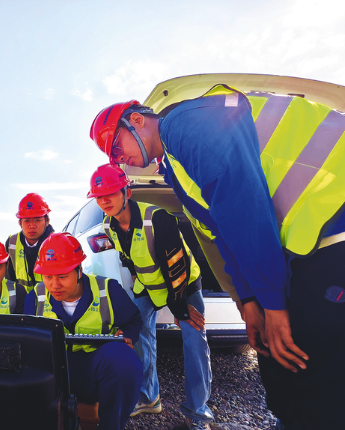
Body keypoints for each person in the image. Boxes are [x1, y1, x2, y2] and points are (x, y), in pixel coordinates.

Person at [90, 90, 345, 429]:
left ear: (137, 120)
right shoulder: (175, 169)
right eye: (113, 157)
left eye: (117, 147)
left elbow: (246, 211)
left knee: (312, 357)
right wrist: (249, 300)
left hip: (334, 218)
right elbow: (223, 234)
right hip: (310, 241)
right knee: (277, 360)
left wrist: (274, 305)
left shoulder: (185, 124)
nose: (121, 159)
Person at [88, 163, 212, 429]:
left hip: (183, 286)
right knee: (138, 332)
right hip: (148, 287)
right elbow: (126, 255)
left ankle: (197, 412)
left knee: (194, 340)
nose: (104, 200)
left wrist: (180, 310)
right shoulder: (108, 225)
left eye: (110, 193)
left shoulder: (158, 218)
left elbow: (176, 267)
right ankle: (148, 396)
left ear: (126, 193)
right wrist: (135, 278)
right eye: (99, 196)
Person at [25, 232, 142, 430]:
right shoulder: (35, 297)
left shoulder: (108, 290)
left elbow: (133, 320)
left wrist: (127, 336)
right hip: (52, 374)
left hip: (93, 370)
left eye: (62, 276)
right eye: (47, 276)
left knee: (123, 360)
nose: (54, 284)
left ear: (79, 270)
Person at [5, 193, 54, 292]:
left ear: (47, 221)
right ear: (20, 223)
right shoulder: (12, 243)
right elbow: (9, 279)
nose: (32, 225)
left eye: (37, 220)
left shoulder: (56, 242)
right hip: (21, 302)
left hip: (49, 302)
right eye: (27, 220)